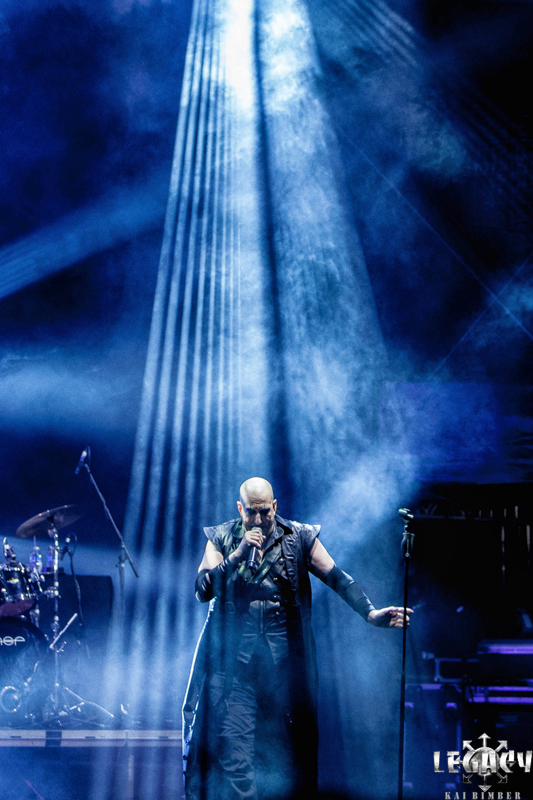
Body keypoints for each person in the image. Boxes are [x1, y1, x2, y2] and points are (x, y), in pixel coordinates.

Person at [182, 477, 412, 800]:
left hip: (283, 676)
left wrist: (370, 613)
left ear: (275, 506)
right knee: (234, 758)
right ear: (240, 509)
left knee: (285, 761)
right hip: (235, 675)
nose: (259, 520)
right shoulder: (221, 537)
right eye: (252, 512)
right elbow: (202, 590)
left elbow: (337, 578)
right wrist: (238, 554)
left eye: (265, 512)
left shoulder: (299, 536)